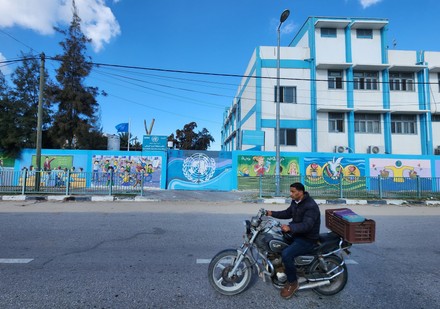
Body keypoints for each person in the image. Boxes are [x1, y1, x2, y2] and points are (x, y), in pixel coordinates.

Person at [266, 182, 321, 300]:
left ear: (300, 192)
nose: (290, 194)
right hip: (296, 234)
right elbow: (287, 213)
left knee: (286, 254)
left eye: (293, 192)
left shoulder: (310, 206)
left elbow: (307, 225)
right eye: (290, 191)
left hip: (307, 238)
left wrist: (291, 227)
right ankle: (281, 269)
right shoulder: (296, 202)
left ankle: (292, 283)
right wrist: (271, 213)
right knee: (276, 241)